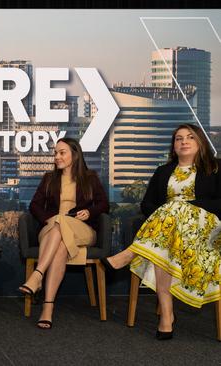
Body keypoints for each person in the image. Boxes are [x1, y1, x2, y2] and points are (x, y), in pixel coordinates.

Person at [103, 123, 221, 340]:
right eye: (178, 138)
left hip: (207, 229)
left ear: (200, 142)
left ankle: (129, 253)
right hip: (168, 232)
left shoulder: (215, 168)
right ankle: (166, 315)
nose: (184, 141)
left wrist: (186, 206)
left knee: (176, 205)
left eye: (190, 137)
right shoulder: (163, 171)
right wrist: (170, 211)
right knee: (162, 246)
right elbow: (147, 205)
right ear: (173, 146)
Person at [20, 137, 109, 329]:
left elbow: (104, 204)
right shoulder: (49, 179)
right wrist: (48, 220)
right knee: (59, 241)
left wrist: (90, 212)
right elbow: (34, 205)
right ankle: (48, 308)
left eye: (62, 153)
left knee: (61, 221)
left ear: (75, 155)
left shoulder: (90, 177)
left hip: (82, 229)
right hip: (52, 229)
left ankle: (38, 275)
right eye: (55, 153)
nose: (57, 157)